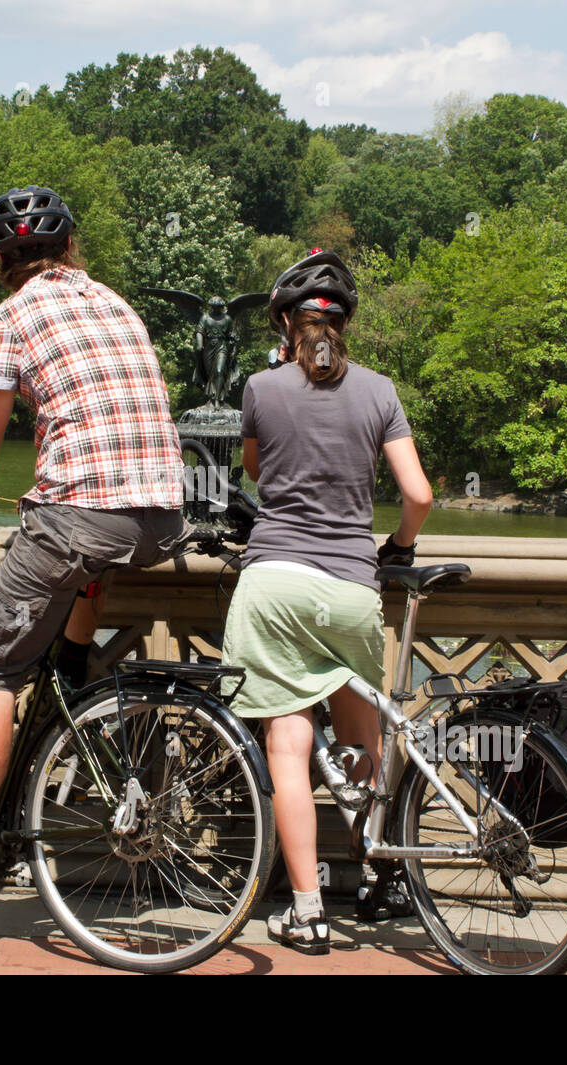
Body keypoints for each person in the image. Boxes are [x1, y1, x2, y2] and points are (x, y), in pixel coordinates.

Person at [0, 186, 190, 896]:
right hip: (163, 516)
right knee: (78, 564)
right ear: (69, 250)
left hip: (86, 516)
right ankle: (75, 670)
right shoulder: (117, 303)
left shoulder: (12, 316)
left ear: (2, 260)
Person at [221, 248, 433, 954]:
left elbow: (255, 469)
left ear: (285, 322)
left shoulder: (260, 385)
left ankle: (306, 910)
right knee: (361, 741)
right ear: (345, 324)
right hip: (350, 584)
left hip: (275, 580)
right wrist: (398, 547)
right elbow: (420, 494)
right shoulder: (380, 390)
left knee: (287, 742)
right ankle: (381, 874)